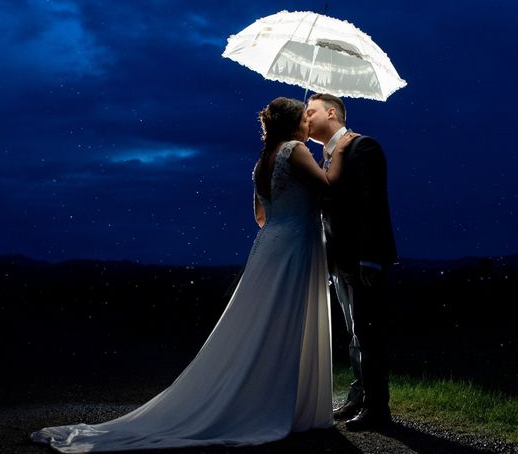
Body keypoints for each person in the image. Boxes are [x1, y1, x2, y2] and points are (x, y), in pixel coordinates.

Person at [30, 97, 355, 452]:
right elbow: (328, 188)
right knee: (286, 321)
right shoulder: (294, 150)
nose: (310, 123)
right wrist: (338, 155)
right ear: (294, 125)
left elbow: (261, 217)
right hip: (294, 245)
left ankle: (270, 396)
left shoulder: (263, 160)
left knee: (266, 321)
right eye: (305, 118)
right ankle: (278, 404)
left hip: (270, 243)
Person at [305, 93, 397, 431]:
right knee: (355, 331)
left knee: (369, 332)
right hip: (340, 261)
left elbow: (373, 206)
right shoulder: (328, 156)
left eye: (311, 112)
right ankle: (359, 396)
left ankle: (378, 408)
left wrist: (371, 259)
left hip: (363, 259)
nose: (306, 118)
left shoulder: (363, 147)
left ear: (332, 113)